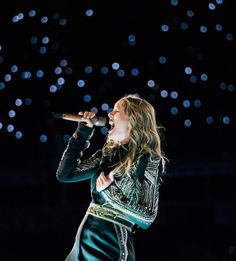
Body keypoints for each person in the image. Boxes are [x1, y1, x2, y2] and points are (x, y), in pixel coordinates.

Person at [56, 94, 167, 261]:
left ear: (133, 119)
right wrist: (83, 132)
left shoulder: (148, 159)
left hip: (110, 244)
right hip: (84, 242)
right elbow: (65, 175)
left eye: (116, 110)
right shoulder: (107, 154)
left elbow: (147, 217)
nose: (109, 115)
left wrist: (110, 192)